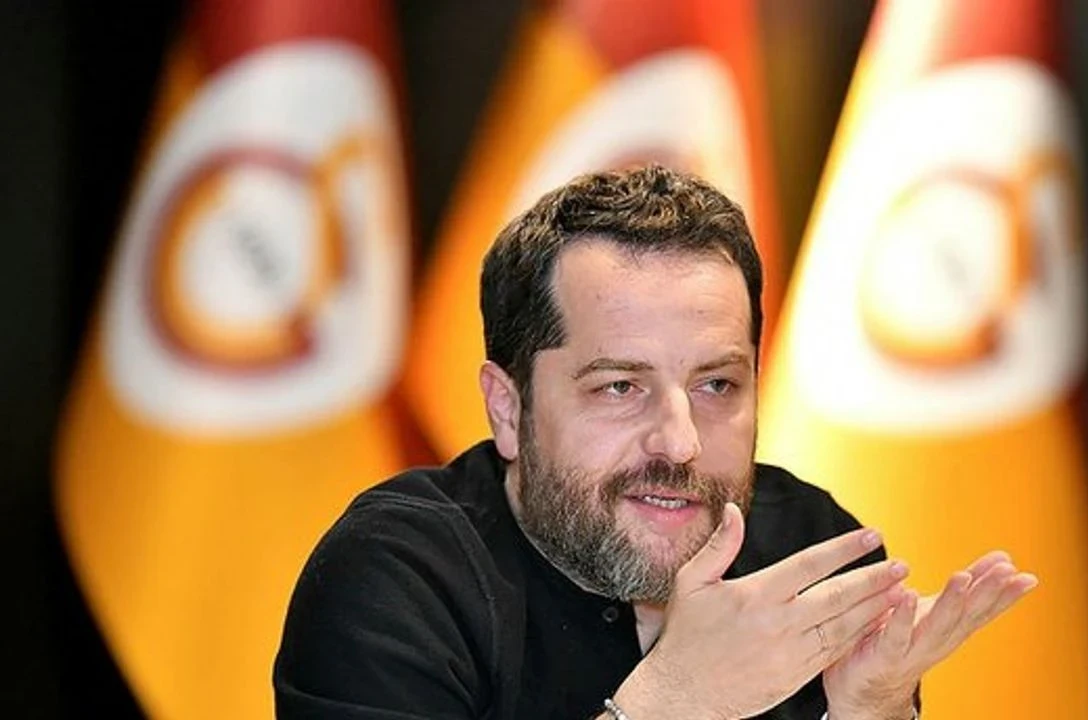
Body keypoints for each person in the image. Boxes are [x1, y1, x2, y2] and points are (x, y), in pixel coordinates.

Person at [273, 165, 1037, 719]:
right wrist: (674, 702)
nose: (679, 442)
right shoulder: (397, 578)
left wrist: (869, 712)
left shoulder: (807, 552)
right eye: (619, 387)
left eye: (717, 385)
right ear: (507, 409)